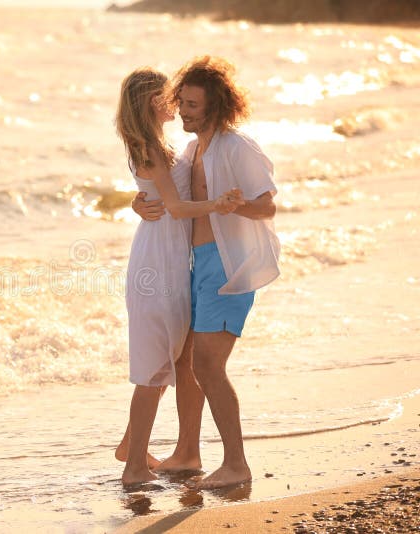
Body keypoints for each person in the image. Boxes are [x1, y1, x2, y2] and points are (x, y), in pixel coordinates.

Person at [131, 56, 280, 489]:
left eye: (194, 104)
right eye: (183, 102)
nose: (185, 111)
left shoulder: (238, 147)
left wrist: (237, 206)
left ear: (216, 107)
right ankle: (188, 452)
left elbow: (267, 206)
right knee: (185, 361)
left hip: (228, 265)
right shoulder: (195, 149)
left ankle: (236, 464)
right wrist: (136, 202)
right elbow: (163, 189)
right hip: (193, 265)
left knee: (208, 365)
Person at [113, 67, 244, 485]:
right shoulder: (149, 147)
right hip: (158, 264)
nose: (176, 103)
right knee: (155, 368)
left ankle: (129, 445)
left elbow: (163, 197)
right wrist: (218, 205)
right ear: (154, 100)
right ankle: (134, 467)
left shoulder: (161, 145)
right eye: (170, 95)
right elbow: (176, 207)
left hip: (172, 259)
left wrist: (140, 201)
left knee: (170, 358)